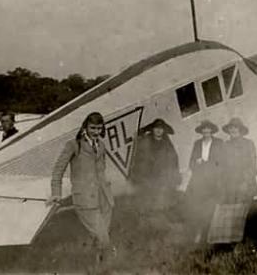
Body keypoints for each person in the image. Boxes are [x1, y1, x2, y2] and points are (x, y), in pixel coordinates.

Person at [47, 112, 115, 263]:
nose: (96, 132)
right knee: (103, 238)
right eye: (92, 128)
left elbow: (101, 169)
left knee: (99, 238)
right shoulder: (74, 145)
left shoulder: (102, 145)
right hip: (85, 200)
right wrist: (56, 193)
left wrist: (107, 187)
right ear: (85, 127)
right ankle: (108, 268)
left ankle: (93, 267)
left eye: (99, 128)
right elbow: (58, 170)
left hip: (104, 199)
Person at [130, 118, 181, 228]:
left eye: (161, 129)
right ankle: (147, 225)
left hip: (162, 177)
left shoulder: (166, 143)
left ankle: (164, 223)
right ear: (152, 129)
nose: (158, 131)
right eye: (156, 128)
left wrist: (174, 175)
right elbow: (139, 159)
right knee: (148, 203)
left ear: (163, 131)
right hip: (149, 177)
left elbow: (174, 159)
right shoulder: (145, 142)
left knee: (164, 201)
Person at [185, 120, 223, 243]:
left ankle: (211, 234)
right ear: (201, 131)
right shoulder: (197, 144)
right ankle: (199, 234)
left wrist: (209, 164)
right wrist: (197, 163)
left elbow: (221, 162)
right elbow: (191, 163)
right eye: (204, 129)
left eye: (208, 129)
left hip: (213, 181)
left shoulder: (218, 143)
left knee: (212, 208)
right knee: (199, 207)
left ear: (212, 130)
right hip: (199, 181)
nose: (206, 131)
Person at [221, 117, 257, 204]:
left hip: (246, 186)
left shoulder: (249, 144)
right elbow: (222, 168)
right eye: (231, 128)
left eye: (236, 127)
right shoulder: (225, 145)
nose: (233, 130)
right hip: (231, 188)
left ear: (240, 129)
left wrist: (245, 182)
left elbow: (253, 167)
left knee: (248, 214)